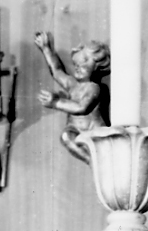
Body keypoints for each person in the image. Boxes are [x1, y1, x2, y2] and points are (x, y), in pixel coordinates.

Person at [34, 32, 110, 162]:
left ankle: (94, 162)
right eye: (76, 65)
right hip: (75, 129)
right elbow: (57, 71)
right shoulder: (73, 85)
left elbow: (82, 108)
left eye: (83, 63)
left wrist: (56, 102)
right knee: (66, 136)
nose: (78, 67)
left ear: (98, 67)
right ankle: (91, 161)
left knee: (96, 150)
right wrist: (46, 49)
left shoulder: (94, 88)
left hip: (93, 131)